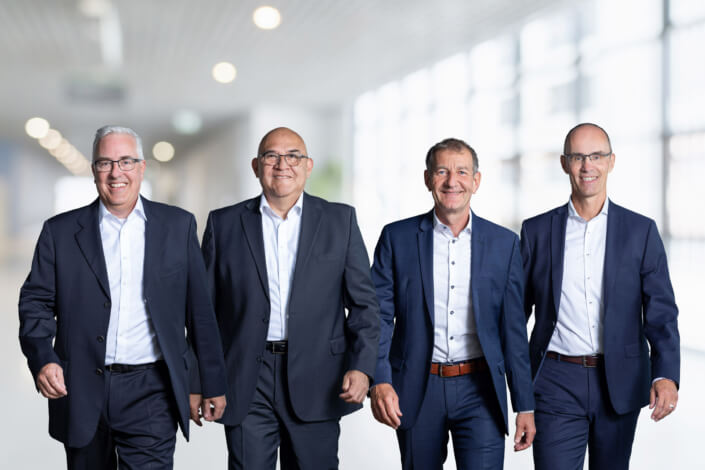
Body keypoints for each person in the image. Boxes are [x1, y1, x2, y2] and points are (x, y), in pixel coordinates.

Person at [18, 125, 227, 469]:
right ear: (94, 171)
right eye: (105, 163)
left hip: (152, 390)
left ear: (142, 168)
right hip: (81, 387)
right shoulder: (60, 233)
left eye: (126, 161)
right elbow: (36, 303)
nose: (116, 172)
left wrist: (208, 382)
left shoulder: (177, 226)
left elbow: (200, 312)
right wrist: (43, 356)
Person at [198, 127, 379, 469]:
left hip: (319, 376)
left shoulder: (340, 221)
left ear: (308, 165)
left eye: (293, 156)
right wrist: (203, 380)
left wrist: (362, 366)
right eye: (271, 156)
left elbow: (365, 306)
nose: (283, 164)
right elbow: (204, 313)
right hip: (246, 378)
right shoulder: (224, 225)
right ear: (256, 166)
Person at [520, 123, 680, 470]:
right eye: (577, 157)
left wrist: (665, 374)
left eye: (595, 156)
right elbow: (516, 314)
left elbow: (661, 312)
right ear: (565, 163)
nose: (586, 166)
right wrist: (518, 390)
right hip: (555, 380)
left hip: (620, 378)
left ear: (611, 162)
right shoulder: (536, 231)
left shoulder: (641, 231)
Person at [370, 137, 535, 469]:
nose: (451, 181)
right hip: (417, 387)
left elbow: (513, 330)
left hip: (481, 389)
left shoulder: (505, 245)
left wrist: (525, 404)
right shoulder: (396, 238)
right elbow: (378, 317)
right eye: (442, 171)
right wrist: (381, 379)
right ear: (428, 178)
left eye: (462, 171)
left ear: (476, 180)